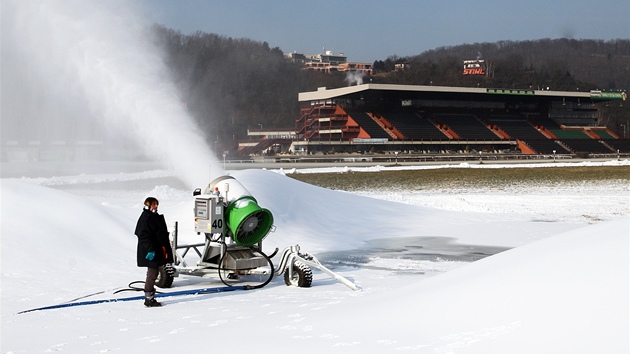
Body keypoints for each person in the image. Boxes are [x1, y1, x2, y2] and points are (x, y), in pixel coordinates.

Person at [134, 197, 174, 307]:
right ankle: (149, 299)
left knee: (154, 272)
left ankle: (150, 297)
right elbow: (143, 236)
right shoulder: (146, 218)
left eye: (157, 204)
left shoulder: (153, 217)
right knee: (152, 274)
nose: (156, 206)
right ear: (148, 205)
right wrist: (150, 249)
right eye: (154, 204)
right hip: (152, 250)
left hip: (157, 249)